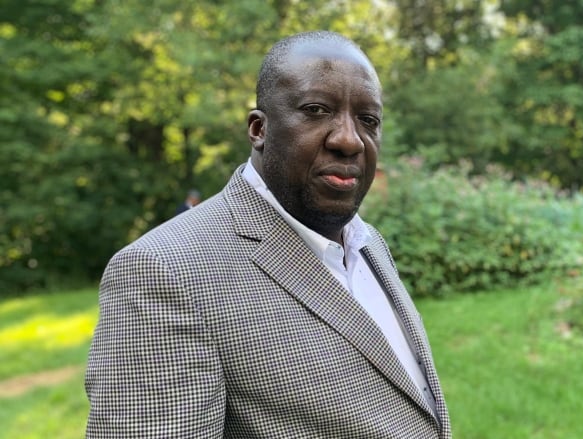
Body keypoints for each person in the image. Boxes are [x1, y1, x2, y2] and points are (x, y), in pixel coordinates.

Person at [85, 31, 451, 438]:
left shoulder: (368, 243)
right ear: (259, 129)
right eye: (316, 110)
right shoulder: (165, 272)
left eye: (368, 120)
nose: (349, 140)